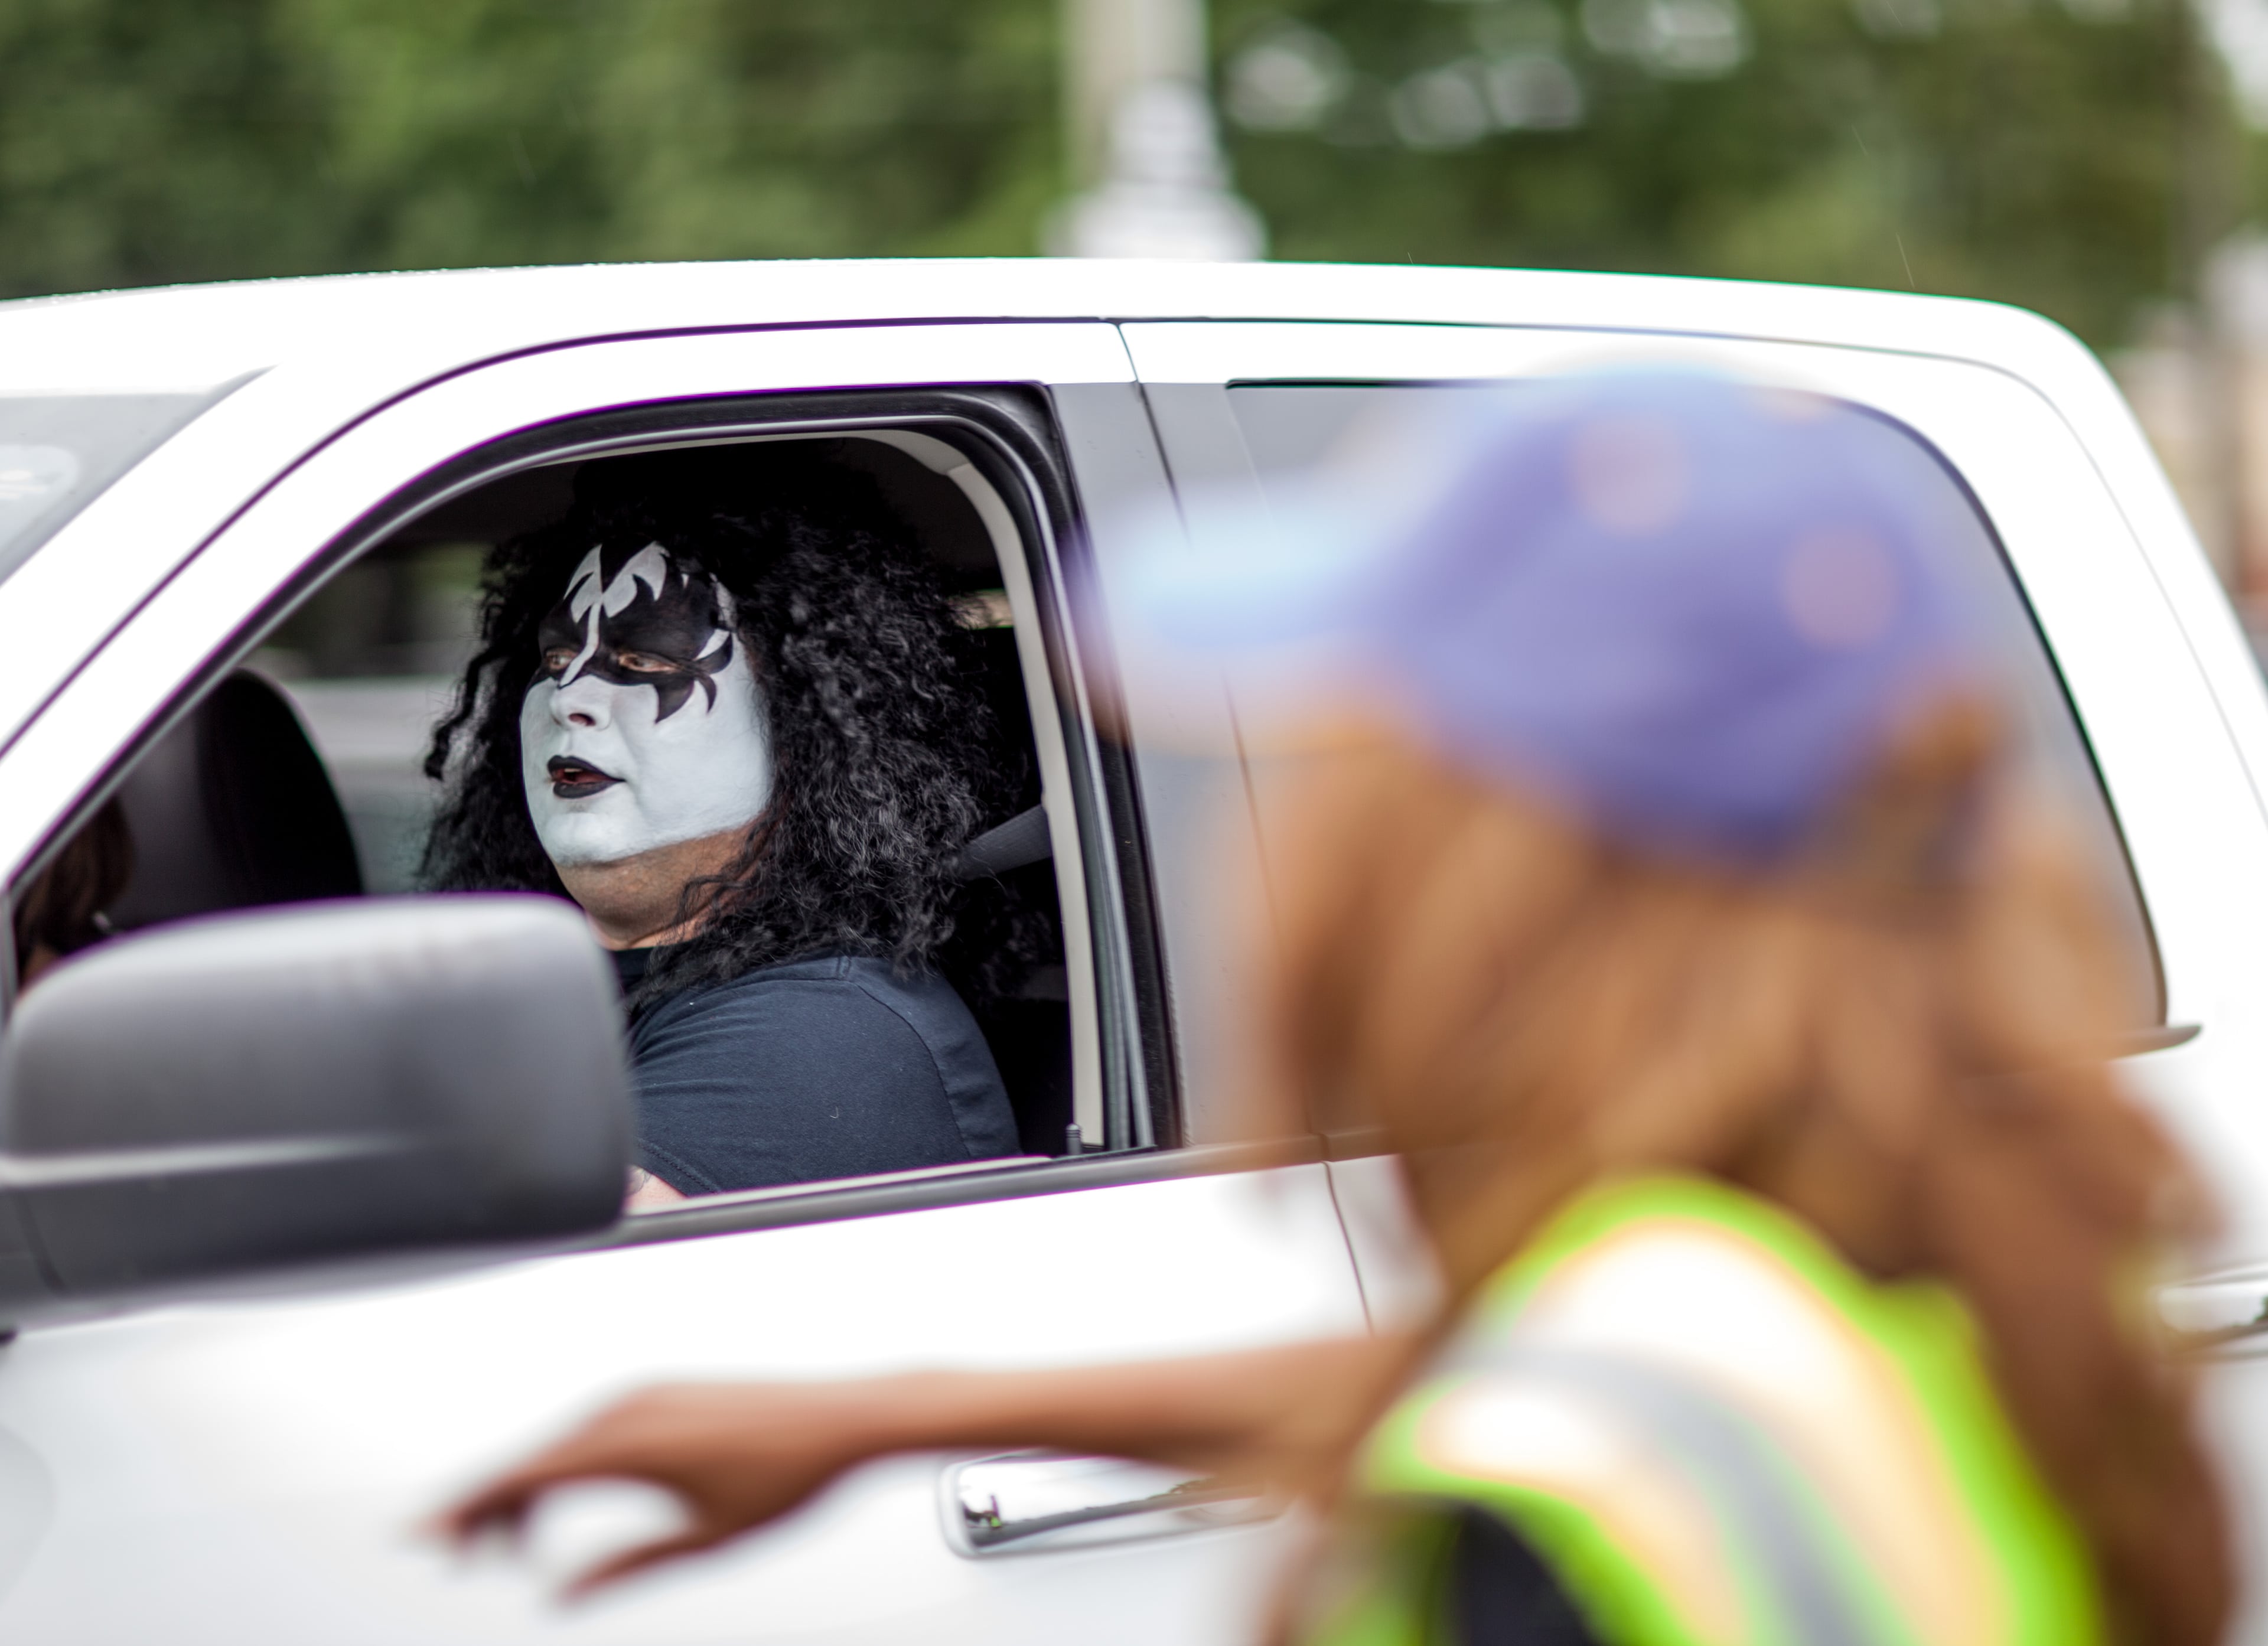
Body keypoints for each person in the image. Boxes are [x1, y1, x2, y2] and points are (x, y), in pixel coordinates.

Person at [437, 374, 2230, 1645]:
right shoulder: (1860, 1286)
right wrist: (880, 1414)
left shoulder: (1563, 1521)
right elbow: (1523, 1382)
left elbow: (1556, 1430)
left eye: (1351, 747)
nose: (1280, 812)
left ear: (1496, 863)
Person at [421, 445, 1027, 1204]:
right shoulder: (542, 987)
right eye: (557, 656)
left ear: (804, 727)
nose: (568, 698)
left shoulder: (821, 1033)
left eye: (642, 663)